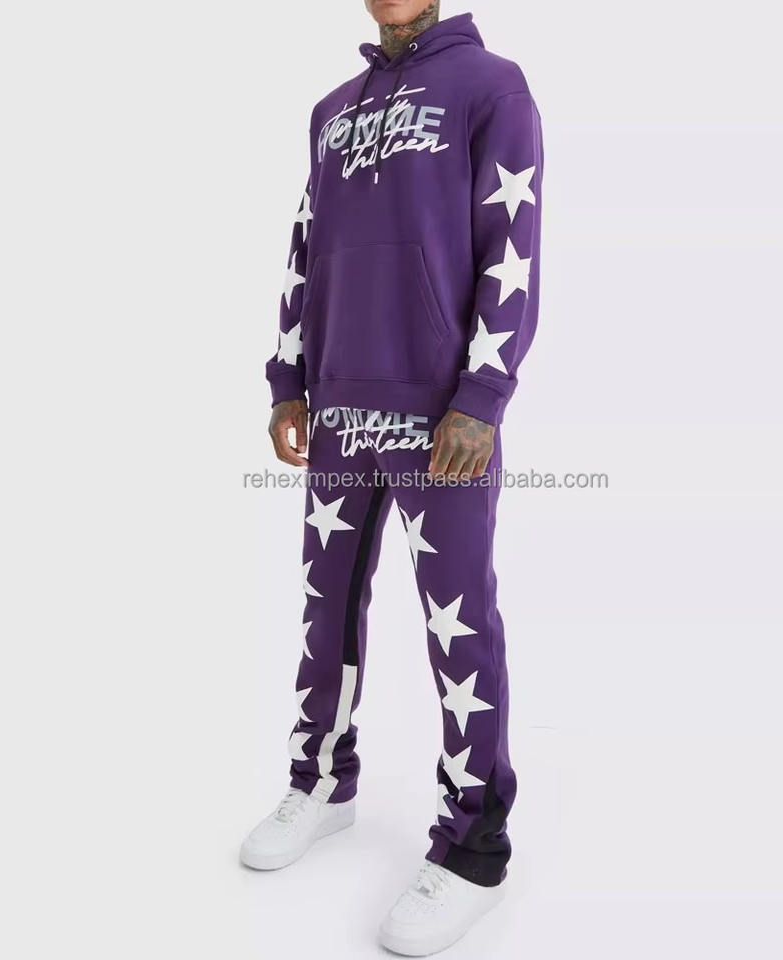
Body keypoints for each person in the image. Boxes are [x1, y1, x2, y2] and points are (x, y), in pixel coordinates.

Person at [242, 2, 543, 954]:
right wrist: (288, 380)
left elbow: (513, 242)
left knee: (459, 620)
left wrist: (482, 397)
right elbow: (305, 248)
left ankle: (473, 846)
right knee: (323, 604)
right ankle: (322, 781)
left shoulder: (492, 86)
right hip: (339, 400)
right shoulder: (333, 109)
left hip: (439, 411)